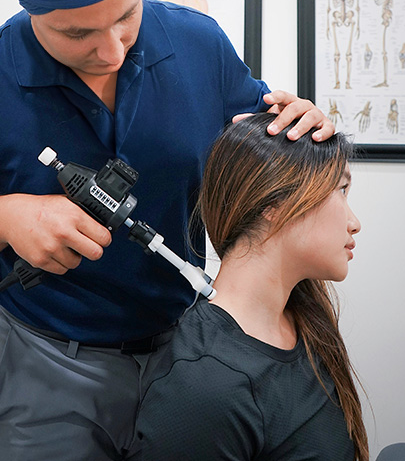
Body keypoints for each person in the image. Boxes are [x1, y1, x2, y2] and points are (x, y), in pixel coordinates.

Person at [0, 0, 334, 459]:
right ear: (29, 10)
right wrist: (2, 216)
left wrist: (302, 124)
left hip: (191, 350)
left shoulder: (198, 43)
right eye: (78, 33)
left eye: (127, 16)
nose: (113, 51)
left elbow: (266, 144)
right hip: (47, 361)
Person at [126, 112, 369, 461]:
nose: (354, 222)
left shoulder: (305, 320)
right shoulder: (205, 385)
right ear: (274, 203)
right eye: (341, 189)